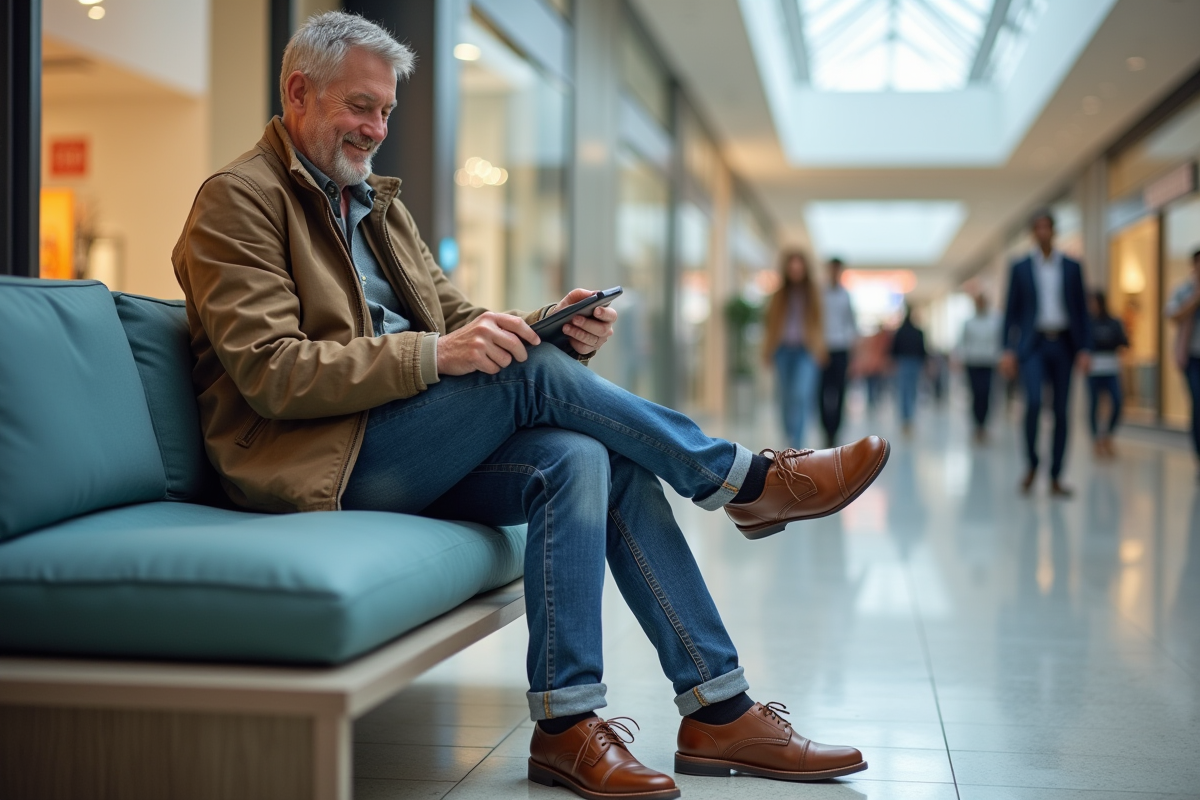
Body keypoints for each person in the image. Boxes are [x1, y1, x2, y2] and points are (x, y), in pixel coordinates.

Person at [171, 12, 891, 798]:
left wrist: (554, 326)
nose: (376, 128)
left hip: (405, 442)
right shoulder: (238, 201)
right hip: (312, 461)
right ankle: (745, 481)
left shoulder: (378, 206)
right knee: (529, 378)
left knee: (585, 456)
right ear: (298, 92)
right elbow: (271, 372)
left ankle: (660, 715)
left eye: (386, 111)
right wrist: (439, 355)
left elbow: (459, 318)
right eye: (360, 106)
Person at [999, 211, 1092, 497]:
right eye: (1037, 228)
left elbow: (1082, 310)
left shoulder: (1072, 266)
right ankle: (1032, 464)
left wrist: (1085, 348)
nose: (1042, 232)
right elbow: (1011, 311)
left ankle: (1056, 476)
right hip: (1033, 346)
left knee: (1062, 411)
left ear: (1054, 231)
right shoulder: (1020, 267)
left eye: (1047, 227)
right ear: (1032, 233)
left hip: (1063, 344)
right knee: (1034, 402)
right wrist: (1007, 350)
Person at [763, 250, 826, 449]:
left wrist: (820, 349)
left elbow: (819, 323)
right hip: (782, 350)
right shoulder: (779, 295)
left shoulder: (813, 294)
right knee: (785, 397)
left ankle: (797, 443)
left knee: (801, 394)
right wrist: (767, 350)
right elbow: (770, 324)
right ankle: (788, 435)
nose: (795, 270)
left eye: (799, 266)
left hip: (806, 351)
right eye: (792, 266)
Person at [1165, 248, 1200, 470]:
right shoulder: (1183, 290)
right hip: (1192, 357)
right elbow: (1173, 316)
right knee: (1198, 403)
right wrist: (1195, 298)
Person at [819, 258, 858, 447]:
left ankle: (835, 430)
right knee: (821, 391)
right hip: (822, 349)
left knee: (840, 391)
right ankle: (826, 428)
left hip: (841, 348)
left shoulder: (846, 296)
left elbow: (851, 323)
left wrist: (853, 350)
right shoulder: (820, 294)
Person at [1087, 291, 1128, 458]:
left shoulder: (1113, 322)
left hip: (1111, 368)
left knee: (1117, 401)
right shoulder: (1087, 323)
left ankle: (1108, 436)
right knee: (1094, 405)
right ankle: (1097, 440)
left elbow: (1124, 341)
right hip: (1093, 369)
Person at [959, 293, 1002, 443]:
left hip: (989, 362)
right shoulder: (969, 322)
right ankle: (977, 426)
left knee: (986, 394)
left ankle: (984, 425)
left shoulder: (995, 321)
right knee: (976, 394)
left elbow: (999, 341)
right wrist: (961, 358)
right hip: (973, 362)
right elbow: (963, 342)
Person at [891, 306, 927, 434]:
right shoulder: (918, 332)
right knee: (912, 390)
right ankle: (909, 417)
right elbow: (922, 349)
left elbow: (894, 349)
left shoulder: (900, 332)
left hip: (903, 363)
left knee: (904, 391)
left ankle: (906, 418)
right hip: (914, 363)